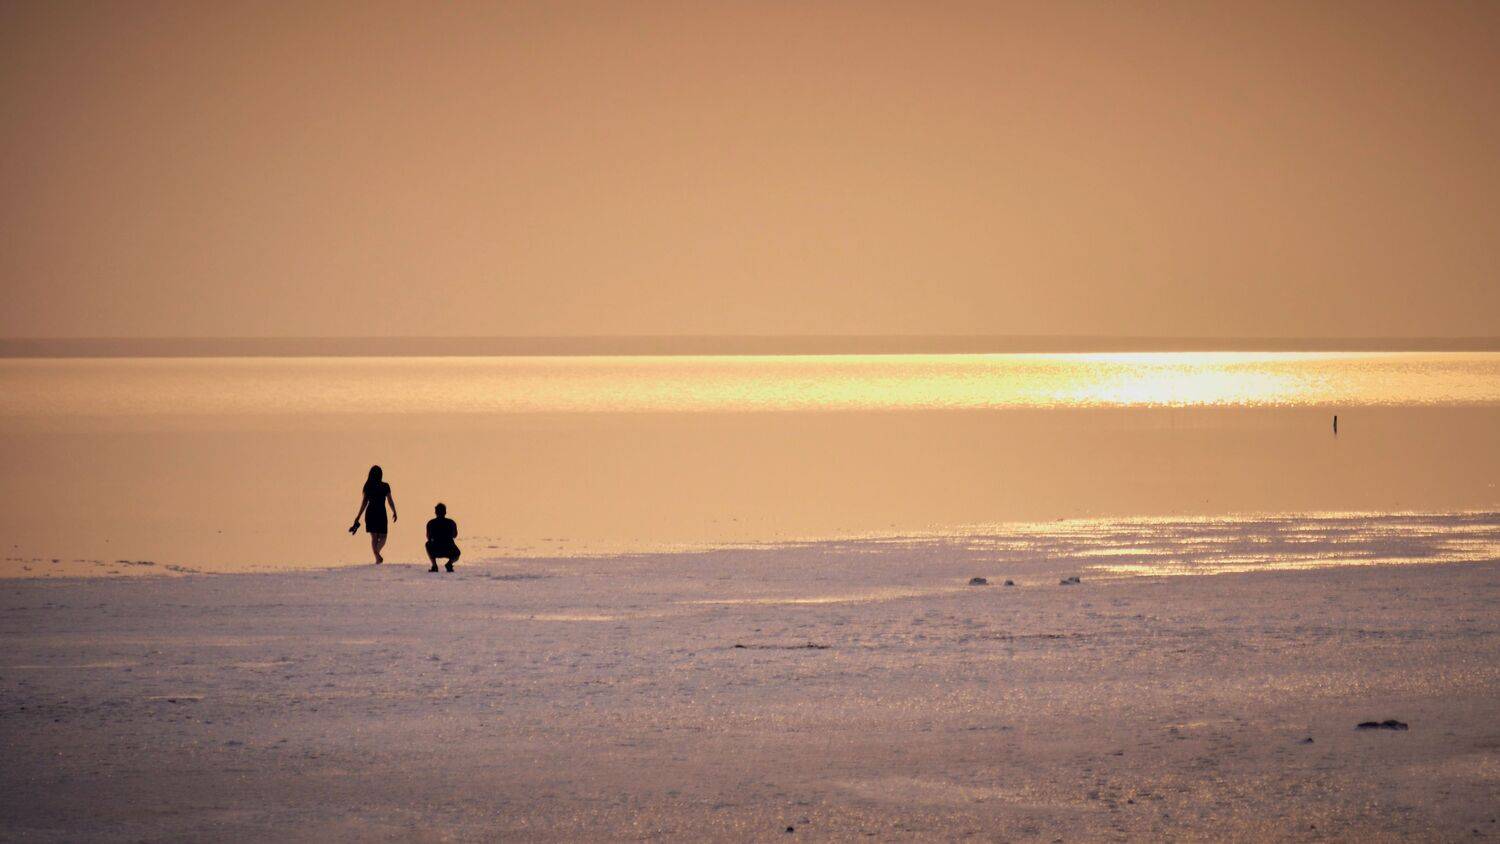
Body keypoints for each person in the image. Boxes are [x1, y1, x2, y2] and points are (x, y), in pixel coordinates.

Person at [349, 465, 397, 564]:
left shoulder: (369, 486)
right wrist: (394, 511)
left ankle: (377, 555)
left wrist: (358, 517)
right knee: (382, 537)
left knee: (376, 537)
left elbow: (364, 503)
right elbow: (390, 500)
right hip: (380, 513)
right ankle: (377, 556)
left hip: (371, 513)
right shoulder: (384, 486)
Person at [425, 503, 461, 573]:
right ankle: (449, 563)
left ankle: (434, 565)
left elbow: (428, 537)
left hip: (436, 549)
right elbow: (455, 535)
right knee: (457, 553)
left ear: (435, 512)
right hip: (449, 549)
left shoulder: (431, 523)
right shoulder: (451, 522)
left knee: (427, 544)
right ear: (445, 512)